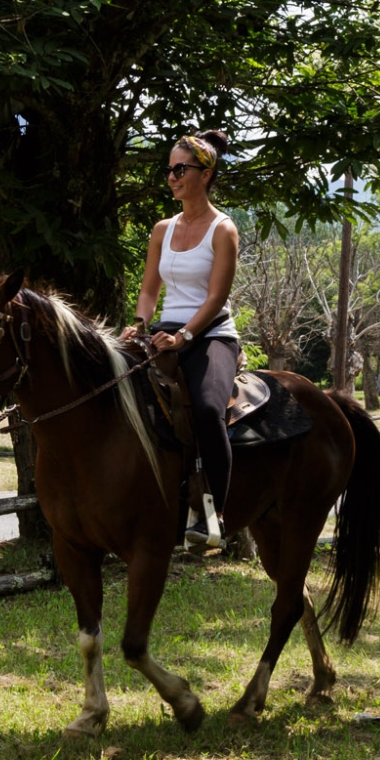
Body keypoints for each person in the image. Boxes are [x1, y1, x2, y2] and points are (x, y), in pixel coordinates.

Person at [124, 131, 242, 553]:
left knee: (209, 410)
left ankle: (215, 515)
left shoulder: (223, 229)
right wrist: (139, 324)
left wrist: (184, 336)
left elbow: (216, 298)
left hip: (210, 335)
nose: (172, 177)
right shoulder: (162, 229)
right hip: (163, 333)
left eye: (180, 170)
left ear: (205, 174)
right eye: (169, 170)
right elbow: (150, 290)